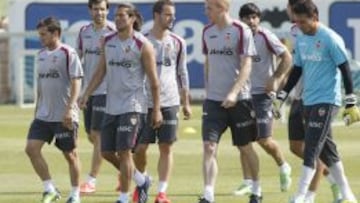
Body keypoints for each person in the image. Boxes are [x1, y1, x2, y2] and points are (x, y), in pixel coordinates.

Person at [273, 1, 360, 202]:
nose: (300, 26)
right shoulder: (301, 39)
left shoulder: (330, 38)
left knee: (311, 147)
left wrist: (350, 102)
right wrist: (281, 96)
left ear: (315, 18)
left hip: (327, 100)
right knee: (328, 150)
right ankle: (348, 194)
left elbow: (345, 69)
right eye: (297, 22)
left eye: (303, 22)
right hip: (308, 100)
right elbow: (297, 70)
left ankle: (301, 196)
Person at [79, 3, 163, 203]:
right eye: (116, 16)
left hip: (133, 106)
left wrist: (156, 110)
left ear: (132, 18)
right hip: (112, 105)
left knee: (124, 152)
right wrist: (86, 94)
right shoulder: (107, 41)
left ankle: (124, 198)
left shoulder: (143, 44)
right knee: (107, 152)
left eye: (122, 16)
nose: (117, 19)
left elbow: (154, 81)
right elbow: (101, 71)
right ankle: (141, 180)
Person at [199, 0, 261, 202]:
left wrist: (233, 93)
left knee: (245, 147)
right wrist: (209, 91)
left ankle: (256, 190)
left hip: (239, 100)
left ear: (222, 8)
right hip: (213, 102)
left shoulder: (241, 30)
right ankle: (208, 194)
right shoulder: (207, 32)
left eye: (209, 7)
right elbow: (208, 62)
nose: (205, 11)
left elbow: (246, 66)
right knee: (209, 146)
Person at [132, 0, 192, 203]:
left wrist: (185, 101)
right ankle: (142, 182)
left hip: (170, 101)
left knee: (166, 147)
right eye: (168, 14)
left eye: (173, 14)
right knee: (139, 149)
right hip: (144, 102)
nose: (172, 18)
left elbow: (182, 72)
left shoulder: (178, 42)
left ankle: (162, 192)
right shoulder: (142, 40)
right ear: (156, 15)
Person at [283, 0, 342, 202]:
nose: (289, 11)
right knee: (295, 146)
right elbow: (295, 65)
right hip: (298, 98)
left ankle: (308, 196)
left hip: (317, 98)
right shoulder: (295, 32)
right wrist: (283, 90)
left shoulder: (321, 35)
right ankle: (332, 179)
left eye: (290, 8)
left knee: (312, 149)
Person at [234, 2, 292, 196]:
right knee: (243, 140)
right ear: (241, 19)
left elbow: (287, 58)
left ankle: (284, 166)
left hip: (262, 95)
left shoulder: (266, 36)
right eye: (248, 17)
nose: (251, 21)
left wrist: (276, 78)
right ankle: (247, 181)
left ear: (259, 19)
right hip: (243, 94)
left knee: (263, 139)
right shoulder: (237, 37)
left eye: (255, 17)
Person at [25, 16, 83, 203]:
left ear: (55, 33)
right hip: (43, 115)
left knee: (71, 155)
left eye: (43, 34)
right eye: (39, 34)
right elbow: (41, 86)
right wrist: (36, 110)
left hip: (64, 116)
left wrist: (69, 109)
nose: (40, 37)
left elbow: (76, 82)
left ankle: (75, 194)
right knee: (31, 149)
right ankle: (50, 188)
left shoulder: (68, 53)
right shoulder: (40, 54)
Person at [76, 0, 117, 194]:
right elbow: (78, 58)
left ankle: (91, 181)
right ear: (90, 10)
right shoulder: (84, 31)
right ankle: (124, 166)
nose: (99, 12)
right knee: (93, 137)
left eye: (102, 9)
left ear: (108, 11)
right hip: (88, 91)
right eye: (96, 9)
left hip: (107, 90)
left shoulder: (114, 31)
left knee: (97, 135)